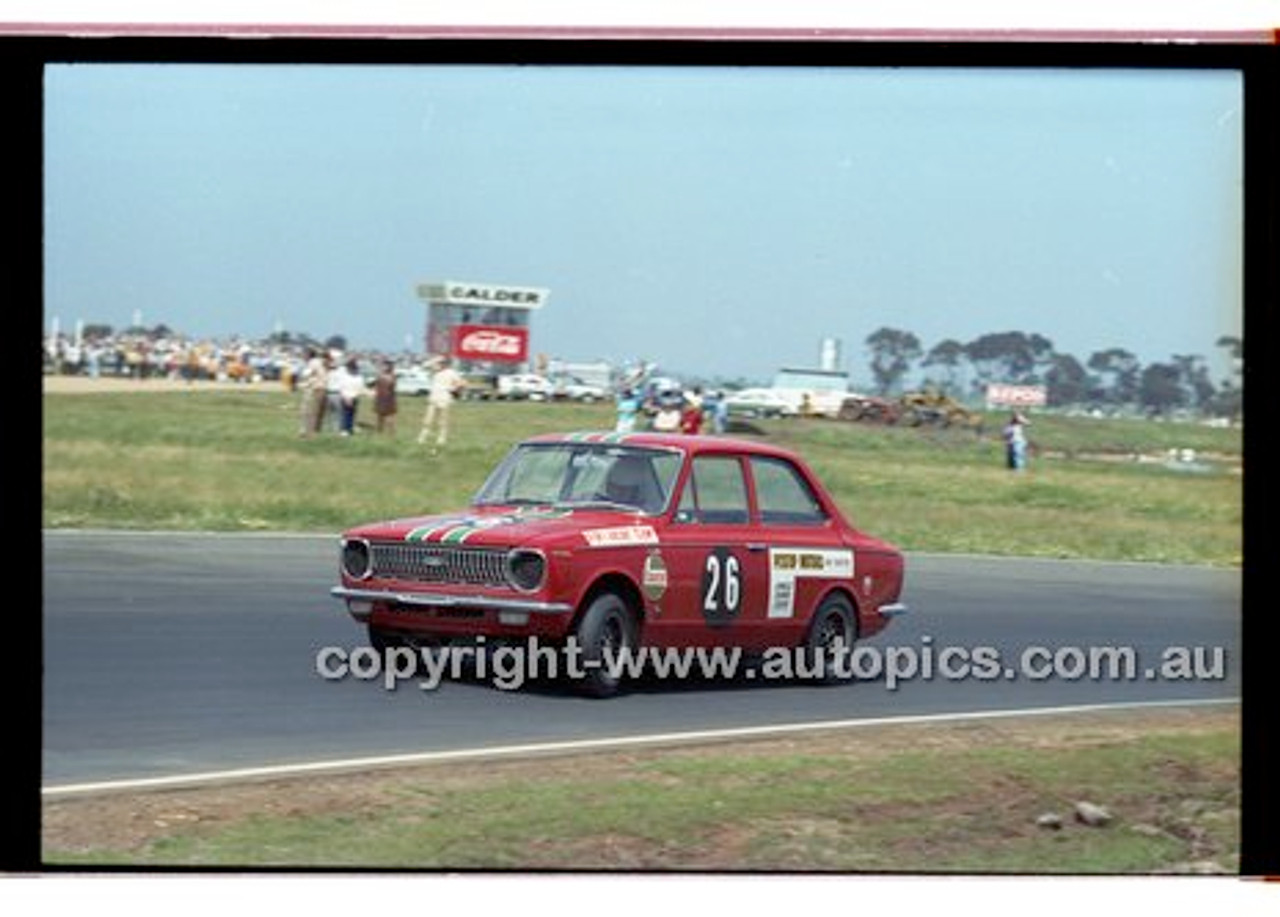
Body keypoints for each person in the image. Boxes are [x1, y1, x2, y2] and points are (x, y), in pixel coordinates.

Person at [418, 356, 465, 447]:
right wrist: (434, 360)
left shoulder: (451, 373)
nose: (436, 365)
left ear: (444, 364)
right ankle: (423, 436)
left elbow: (462, 383)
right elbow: (424, 366)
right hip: (433, 398)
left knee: (443, 420)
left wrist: (454, 389)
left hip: (444, 398)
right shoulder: (435, 372)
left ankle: (441, 437)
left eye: (439, 363)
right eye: (437, 363)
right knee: (428, 419)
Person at [299, 348, 330, 437]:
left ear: (309, 355)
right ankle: (312, 430)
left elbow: (306, 374)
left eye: (304, 354)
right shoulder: (319, 362)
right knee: (314, 411)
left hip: (314, 388)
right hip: (319, 387)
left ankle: (308, 431)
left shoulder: (313, 362)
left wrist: (302, 382)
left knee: (308, 411)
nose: (303, 356)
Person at [337, 358, 365, 436]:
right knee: (345, 413)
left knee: (352, 413)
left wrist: (355, 396)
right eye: (349, 367)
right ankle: (343, 429)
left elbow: (360, 387)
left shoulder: (359, 377)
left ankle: (349, 428)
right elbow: (342, 388)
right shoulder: (344, 376)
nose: (350, 369)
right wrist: (346, 398)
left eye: (352, 367)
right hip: (345, 397)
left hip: (355, 397)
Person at [373, 360, 398, 436]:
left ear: (390, 367)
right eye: (383, 366)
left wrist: (386, 378)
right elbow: (376, 385)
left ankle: (391, 432)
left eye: (386, 366)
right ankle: (379, 430)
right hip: (380, 397)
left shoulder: (392, 376)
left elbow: (392, 386)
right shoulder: (379, 375)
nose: (384, 367)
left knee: (390, 415)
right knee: (379, 415)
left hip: (389, 398)